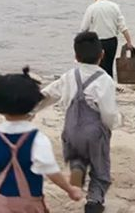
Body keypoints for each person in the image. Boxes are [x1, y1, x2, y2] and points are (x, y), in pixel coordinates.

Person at [0, 67, 82, 213]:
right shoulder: (37, 139)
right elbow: (50, 170)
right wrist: (70, 190)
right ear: (33, 102)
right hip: (27, 204)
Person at [38, 32, 120, 213]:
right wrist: (113, 124)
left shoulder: (69, 76)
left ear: (76, 56)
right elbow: (108, 111)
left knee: (77, 157)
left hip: (71, 129)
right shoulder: (105, 80)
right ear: (102, 55)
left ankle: (77, 170)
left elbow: (48, 94)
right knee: (100, 170)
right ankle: (94, 201)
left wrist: (30, 110)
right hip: (94, 132)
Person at [80, 0, 133, 78]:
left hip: (97, 42)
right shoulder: (114, 6)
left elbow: (84, 29)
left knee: (98, 67)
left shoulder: (91, 8)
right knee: (109, 66)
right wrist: (129, 41)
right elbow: (123, 26)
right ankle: (110, 85)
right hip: (112, 41)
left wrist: (80, 45)